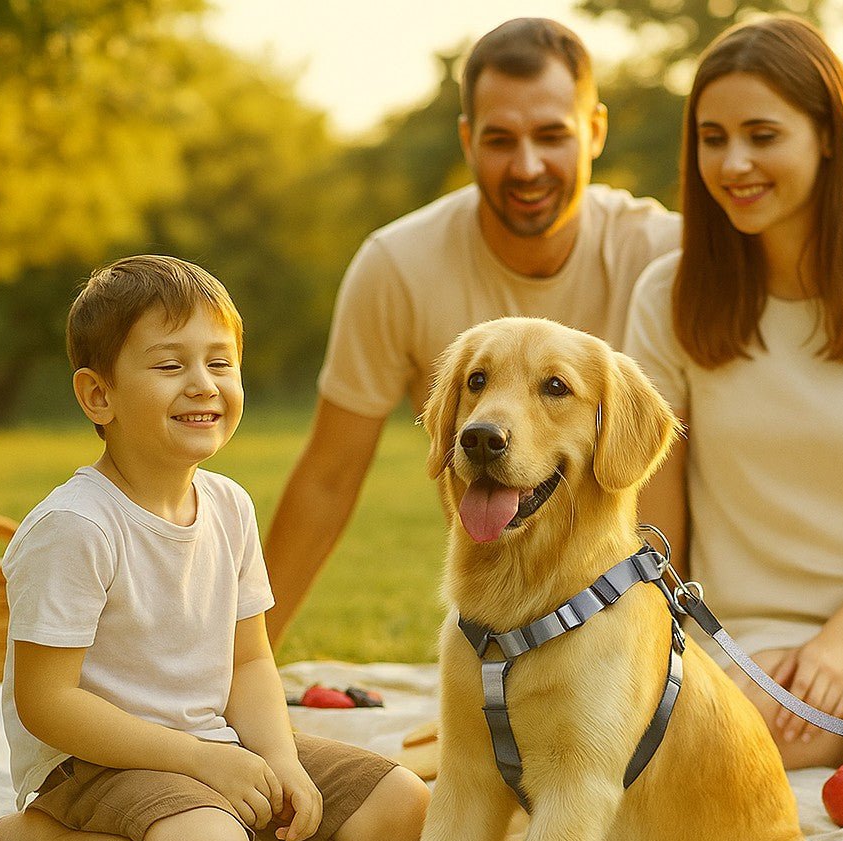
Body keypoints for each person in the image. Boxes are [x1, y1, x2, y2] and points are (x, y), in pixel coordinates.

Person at [0, 255, 430, 841]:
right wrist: (198, 762)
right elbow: (47, 703)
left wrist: (278, 760)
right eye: (170, 366)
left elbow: (249, 659)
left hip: (214, 744)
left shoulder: (229, 506)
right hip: (95, 764)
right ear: (97, 395)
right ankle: (35, 838)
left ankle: (222, 823)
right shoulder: (75, 526)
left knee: (409, 810)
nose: (203, 385)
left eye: (220, 363)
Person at [263, 17, 681, 647]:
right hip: (504, 622)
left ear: (595, 130)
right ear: (466, 140)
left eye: (551, 135)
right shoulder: (397, 267)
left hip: (659, 615)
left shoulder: (665, 254)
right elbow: (327, 481)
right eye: (500, 140)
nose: (527, 165)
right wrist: (236, 668)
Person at [626, 16, 843, 777]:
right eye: (713, 138)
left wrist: (841, 645)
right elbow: (656, 525)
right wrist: (667, 647)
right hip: (753, 617)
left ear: (829, 136)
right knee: (709, 740)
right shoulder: (666, 297)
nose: (734, 162)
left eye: (762, 134)